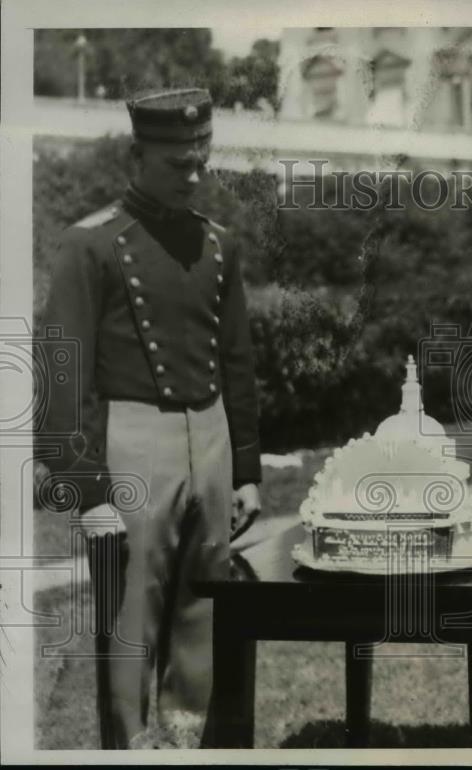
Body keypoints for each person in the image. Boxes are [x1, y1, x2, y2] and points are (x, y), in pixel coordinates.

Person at [36, 88, 262, 749]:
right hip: (134, 441)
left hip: (212, 439)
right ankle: (131, 749)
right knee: (130, 619)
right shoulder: (91, 244)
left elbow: (237, 361)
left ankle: (189, 741)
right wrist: (85, 488)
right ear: (137, 157)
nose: (193, 176)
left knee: (205, 615)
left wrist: (245, 470)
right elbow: (63, 372)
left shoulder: (219, 245)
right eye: (176, 164)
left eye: (201, 161)